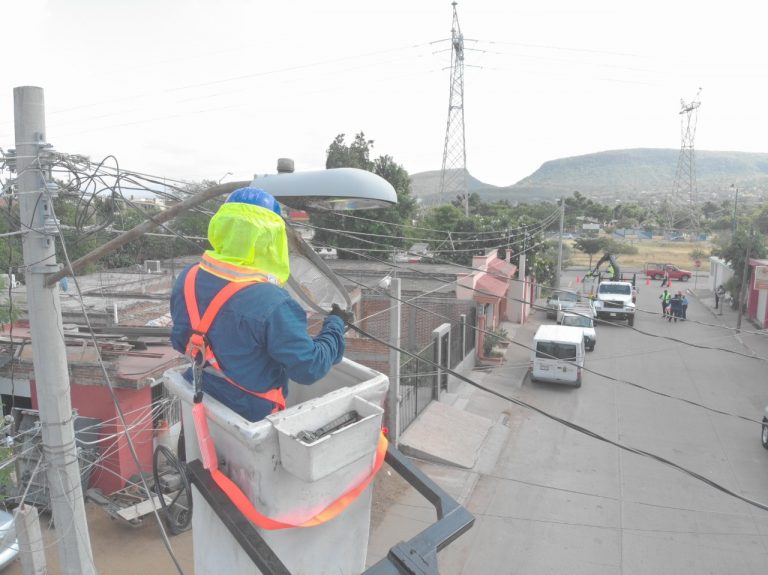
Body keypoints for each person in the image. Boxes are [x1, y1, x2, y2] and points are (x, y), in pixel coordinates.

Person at [170, 187, 351, 422]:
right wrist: (335, 326)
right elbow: (310, 367)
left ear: (221, 228)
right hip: (250, 417)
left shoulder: (188, 277)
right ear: (271, 238)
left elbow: (180, 339)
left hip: (200, 398)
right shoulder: (273, 303)